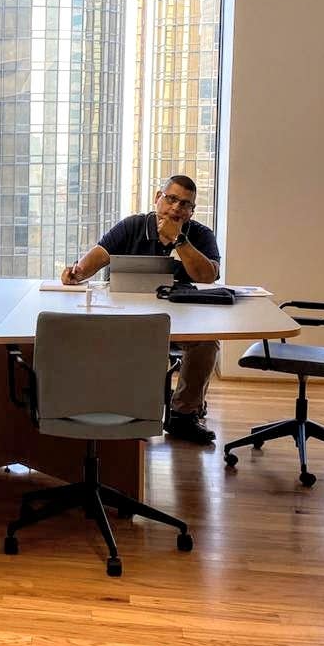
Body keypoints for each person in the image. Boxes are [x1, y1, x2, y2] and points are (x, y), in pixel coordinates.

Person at [61, 174, 221, 445]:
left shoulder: (200, 234)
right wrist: (76, 273)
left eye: (185, 204)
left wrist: (179, 241)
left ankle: (183, 415)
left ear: (191, 211)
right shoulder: (133, 226)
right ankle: (129, 412)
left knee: (207, 343)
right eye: (171, 199)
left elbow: (208, 276)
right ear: (157, 198)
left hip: (180, 318)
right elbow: (97, 257)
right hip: (126, 315)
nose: (176, 208)